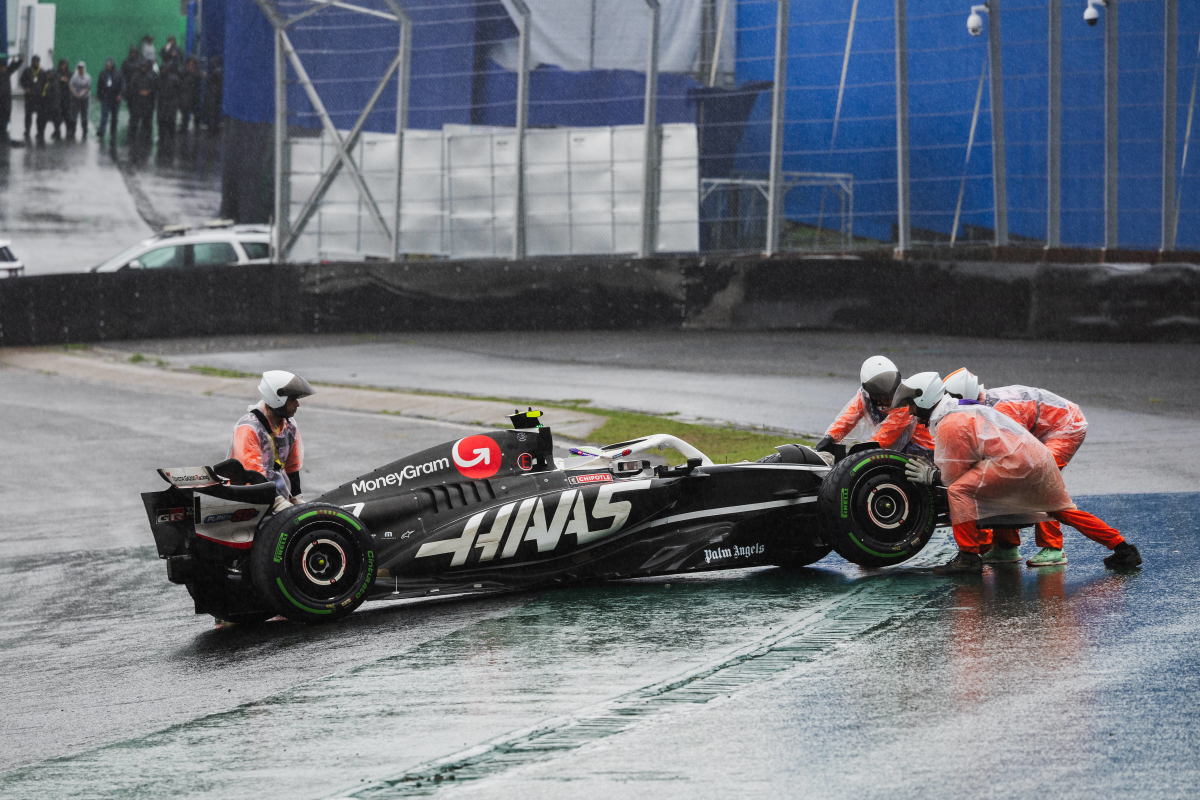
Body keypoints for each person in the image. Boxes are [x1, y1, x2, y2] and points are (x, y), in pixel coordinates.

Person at [894, 372, 1141, 575]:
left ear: (924, 399)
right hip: (1037, 460)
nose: (911, 412)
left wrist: (931, 476)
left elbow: (952, 476)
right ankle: (1124, 548)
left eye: (912, 405)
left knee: (960, 490)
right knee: (1062, 510)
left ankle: (968, 557)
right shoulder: (961, 410)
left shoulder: (950, 421)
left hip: (1016, 464)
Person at [943, 368, 1091, 568]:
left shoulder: (1003, 410)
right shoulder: (984, 403)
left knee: (1039, 481)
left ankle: (1054, 548)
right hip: (1044, 427)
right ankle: (1006, 546)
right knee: (1004, 483)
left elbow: (1017, 452)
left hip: (1066, 427)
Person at [814, 355, 935, 457]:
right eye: (884, 396)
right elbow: (848, 420)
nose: (891, 399)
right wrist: (830, 438)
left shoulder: (903, 402)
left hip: (924, 451)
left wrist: (854, 456)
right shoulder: (865, 396)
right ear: (871, 393)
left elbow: (882, 440)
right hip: (901, 449)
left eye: (893, 393)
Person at [229, 371, 315, 513]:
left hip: (276, 495)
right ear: (276, 398)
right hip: (247, 498)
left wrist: (296, 499)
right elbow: (252, 472)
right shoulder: (249, 428)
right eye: (292, 399)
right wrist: (277, 503)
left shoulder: (289, 425)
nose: (297, 404)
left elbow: (292, 466)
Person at [19, 55, 52, 142]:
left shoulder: (42, 72)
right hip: (29, 97)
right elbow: (21, 80)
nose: (36, 62)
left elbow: (46, 82)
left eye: (37, 61)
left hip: (39, 98)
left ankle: (39, 132)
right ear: (32, 61)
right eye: (35, 61)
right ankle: (27, 131)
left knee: (40, 116)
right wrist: (25, 87)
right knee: (28, 116)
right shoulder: (27, 71)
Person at [127, 60, 157, 144]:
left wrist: (148, 92)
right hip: (137, 104)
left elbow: (154, 89)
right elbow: (132, 89)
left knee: (147, 124)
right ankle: (132, 140)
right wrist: (139, 92)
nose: (143, 68)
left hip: (147, 104)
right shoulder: (136, 77)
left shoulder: (151, 77)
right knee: (134, 123)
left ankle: (145, 140)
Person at [96, 58, 124, 143]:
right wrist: (99, 95)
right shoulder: (103, 73)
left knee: (114, 117)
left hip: (115, 98)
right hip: (106, 97)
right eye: (107, 64)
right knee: (104, 115)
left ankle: (113, 132)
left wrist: (120, 94)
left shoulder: (118, 73)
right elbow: (99, 84)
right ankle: (102, 131)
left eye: (110, 64)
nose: (108, 66)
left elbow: (122, 84)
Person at [0, 54, 23, 142]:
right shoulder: (5, 73)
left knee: (5, 115)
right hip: (2, 100)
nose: (4, 68)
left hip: (6, 100)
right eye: (2, 67)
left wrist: (19, 60)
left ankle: (3, 132)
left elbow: (14, 67)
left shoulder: (6, 73)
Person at [156, 60, 180, 142]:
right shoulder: (159, 79)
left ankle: (171, 138)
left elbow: (179, 90)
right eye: (162, 69)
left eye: (165, 69)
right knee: (161, 121)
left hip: (171, 103)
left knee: (170, 121)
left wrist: (175, 101)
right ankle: (162, 138)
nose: (163, 71)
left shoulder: (173, 79)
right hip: (162, 103)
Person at [178, 57, 202, 135]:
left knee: (196, 113)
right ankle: (183, 128)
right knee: (184, 112)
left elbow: (199, 76)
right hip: (186, 93)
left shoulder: (197, 69)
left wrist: (193, 72)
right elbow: (181, 74)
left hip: (194, 94)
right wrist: (188, 71)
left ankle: (197, 128)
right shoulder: (185, 68)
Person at [68, 61, 91, 140]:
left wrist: (81, 93)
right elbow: (71, 85)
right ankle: (72, 131)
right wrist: (75, 93)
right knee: (74, 115)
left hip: (84, 99)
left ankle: (84, 132)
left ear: (84, 68)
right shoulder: (74, 77)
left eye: (82, 68)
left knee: (84, 116)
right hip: (75, 99)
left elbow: (87, 87)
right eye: (79, 68)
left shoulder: (87, 77)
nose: (80, 70)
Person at [203, 55, 223, 135]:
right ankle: (213, 130)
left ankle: (212, 131)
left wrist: (205, 76)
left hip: (213, 96)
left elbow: (210, 80)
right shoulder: (219, 71)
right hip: (215, 95)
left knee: (212, 114)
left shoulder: (217, 71)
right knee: (213, 114)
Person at [51, 58, 71, 140]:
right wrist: (60, 79)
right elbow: (53, 79)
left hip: (66, 98)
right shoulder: (56, 73)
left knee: (67, 116)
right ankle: (57, 131)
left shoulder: (69, 73)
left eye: (65, 64)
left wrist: (67, 80)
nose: (63, 66)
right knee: (57, 116)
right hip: (58, 98)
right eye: (62, 64)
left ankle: (68, 132)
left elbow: (71, 82)